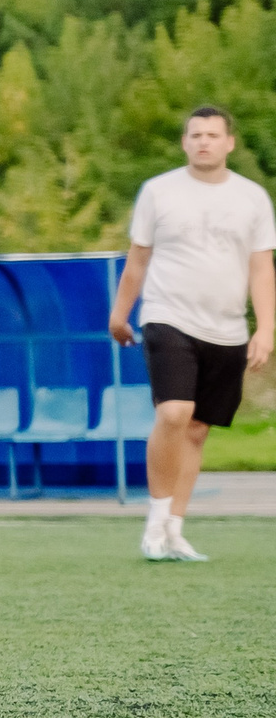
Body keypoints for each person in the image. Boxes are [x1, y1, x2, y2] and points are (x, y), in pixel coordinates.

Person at [108, 106, 275, 562]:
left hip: (227, 328)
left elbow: (262, 268)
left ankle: (175, 530)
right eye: (196, 134)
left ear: (229, 143)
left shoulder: (253, 198)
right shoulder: (158, 192)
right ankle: (156, 520)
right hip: (167, 316)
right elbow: (137, 260)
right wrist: (119, 315)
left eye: (213, 134)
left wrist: (267, 328)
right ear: (185, 142)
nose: (204, 141)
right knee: (175, 413)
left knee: (199, 429)